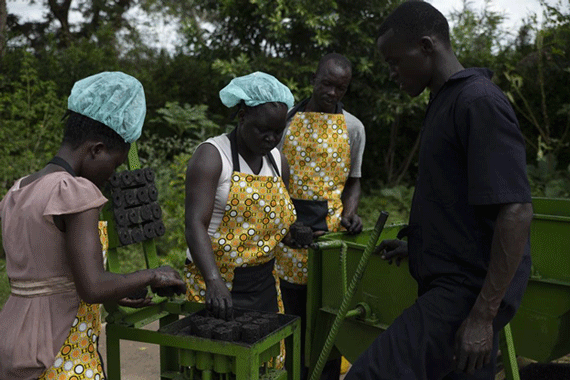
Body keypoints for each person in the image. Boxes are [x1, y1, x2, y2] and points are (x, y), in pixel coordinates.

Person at [345, 2, 533, 379]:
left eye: (395, 61)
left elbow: (515, 211)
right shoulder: (445, 101)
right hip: (451, 288)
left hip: (463, 295)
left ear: (427, 46)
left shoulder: (477, 101)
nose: (392, 73)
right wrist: (421, 246)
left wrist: (482, 316)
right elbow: (465, 209)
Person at [0, 71, 186, 380]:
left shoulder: (20, 189)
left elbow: (52, 273)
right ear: (96, 149)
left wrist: (118, 290)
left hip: (16, 341)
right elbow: (92, 286)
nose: (112, 176)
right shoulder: (75, 191)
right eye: (114, 164)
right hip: (60, 349)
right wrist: (155, 273)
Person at [274, 53, 366, 379]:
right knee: (292, 311)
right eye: (327, 84)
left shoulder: (354, 128)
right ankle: (293, 371)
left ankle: (326, 374)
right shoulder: (284, 120)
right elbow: (271, 176)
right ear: (314, 77)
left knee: (328, 314)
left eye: (340, 88)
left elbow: (354, 182)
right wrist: (284, 220)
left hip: (330, 233)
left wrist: (350, 214)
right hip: (288, 231)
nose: (332, 92)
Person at [184, 72, 297, 320]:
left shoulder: (279, 162)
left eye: (278, 132)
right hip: (216, 286)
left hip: (264, 284)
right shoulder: (212, 156)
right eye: (264, 130)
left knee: (267, 355)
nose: (272, 139)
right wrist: (213, 279)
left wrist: (294, 233)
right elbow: (194, 224)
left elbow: (277, 223)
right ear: (243, 117)